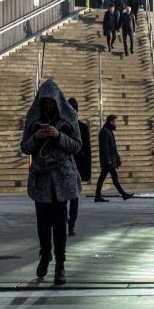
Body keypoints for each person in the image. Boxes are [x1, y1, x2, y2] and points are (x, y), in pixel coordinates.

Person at [20, 78, 82, 285]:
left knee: (60, 224)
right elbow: (25, 148)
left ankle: (60, 265)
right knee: (43, 224)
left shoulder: (70, 116)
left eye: (51, 102)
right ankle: (45, 255)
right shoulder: (33, 116)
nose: (47, 106)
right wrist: (37, 136)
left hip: (62, 179)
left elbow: (77, 146)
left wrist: (58, 136)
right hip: (42, 179)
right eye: (44, 102)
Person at [66, 97, 91, 236]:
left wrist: (86, 172)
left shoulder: (82, 127)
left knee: (74, 197)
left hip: (77, 168)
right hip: (63, 167)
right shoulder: (62, 126)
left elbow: (87, 151)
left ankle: (72, 224)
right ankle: (64, 218)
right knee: (62, 198)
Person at [95, 114, 133, 202]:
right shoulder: (105, 132)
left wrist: (117, 159)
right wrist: (108, 160)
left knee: (103, 177)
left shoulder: (108, 131)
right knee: (113, 176)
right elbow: (105, 148)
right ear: (111, 122)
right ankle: (123, 194)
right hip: (107, 161)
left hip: (109, 160)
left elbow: (113, 148)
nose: (116, 123)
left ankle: (97, 196)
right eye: (115, 121)